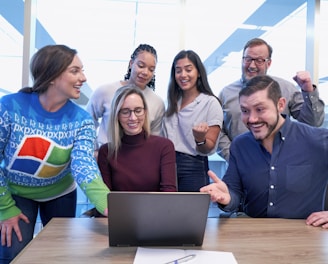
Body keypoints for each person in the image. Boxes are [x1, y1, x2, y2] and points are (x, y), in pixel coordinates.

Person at [0, 45, 110, 263]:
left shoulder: (82, 120)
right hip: (16, 193)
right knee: (12, 254)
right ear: (52, 75)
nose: (84, 78)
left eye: (82, 70)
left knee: (58, 256)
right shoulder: (9, 107)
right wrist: (5, 208)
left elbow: (84, 164)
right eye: (75, 71)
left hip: (60, 194)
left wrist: (108, 203)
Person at [200, 75, 328, 227]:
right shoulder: (240, 145)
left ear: (280, 105)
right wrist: (226, 198)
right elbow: (233, 193)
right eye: (245, 111)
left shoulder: (317, 140)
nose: (252, 119)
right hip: (254, 234)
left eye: (260, 109)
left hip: (305, 238)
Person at [218, 38, 325, 161]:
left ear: (268, 63)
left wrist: (308, 91)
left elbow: (313, 122)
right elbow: (217, 131)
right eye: (248, 59)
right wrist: (233, 155)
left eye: (259, 60)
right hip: (241, 167)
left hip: (281, 164)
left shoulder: (286, 89)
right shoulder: (226, 93)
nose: (252, 65)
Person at [162, 50, 223, 192]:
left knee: (191, 212)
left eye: (188, 70)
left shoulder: (210, 103)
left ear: (199, 72)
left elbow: (208, 147)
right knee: (164, 211)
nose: (183, 75)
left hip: (193, 167)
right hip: (166, 164)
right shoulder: (170, 102)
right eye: (178, 71)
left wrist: (200, 139)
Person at [86, 44, 165, 153]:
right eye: (141, 66)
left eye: (151, 69)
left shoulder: (157, 103)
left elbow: (154, 139)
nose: (145, 72)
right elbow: (88, 122)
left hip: (136, 160)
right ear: (131, 63)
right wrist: (94, 150)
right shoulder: (105, 91)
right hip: (105, 157)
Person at [97, 85, 177, 192]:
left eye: (138, 110)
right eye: (125, 111)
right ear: (117, 115)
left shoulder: (164, 146)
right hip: (120, 209)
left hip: (157, 208)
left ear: (145, 112)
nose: (133, 118)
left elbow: (169, 193)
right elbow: (106, 198)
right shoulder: (106, 152)